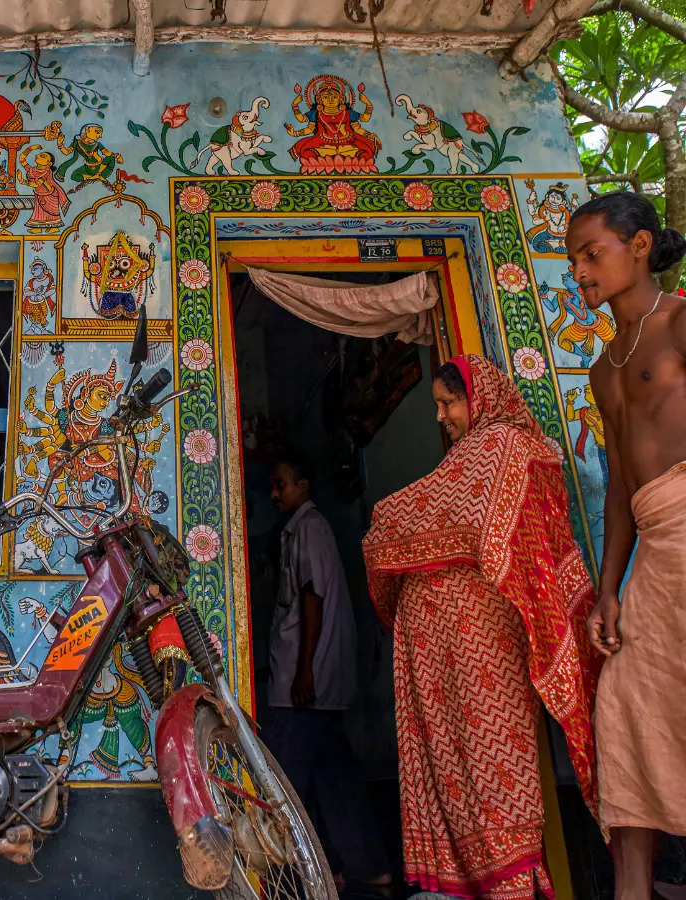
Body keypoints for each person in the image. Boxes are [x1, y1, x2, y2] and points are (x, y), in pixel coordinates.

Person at [363, 355, 600, 899]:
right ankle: (484, 878)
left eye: (449, 403)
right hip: (457, 639)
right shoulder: (479, 455)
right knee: (461, 761)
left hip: (485, 640)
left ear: (481, 397)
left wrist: (383, 528)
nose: (442, 416)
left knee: (495, 759)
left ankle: (512, 880)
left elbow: (459, 523)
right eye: (439, 405)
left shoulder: (505, 448)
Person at [566, 191, 686, 900]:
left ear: (639, 246)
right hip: (654, 545)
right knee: (624, 705)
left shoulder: (678, 323)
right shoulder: (604, 367)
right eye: (573, 259)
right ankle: (632, 888)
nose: (579, 271)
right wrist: (610, 588)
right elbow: (615, 489)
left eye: (592, 253)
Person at [262, 455, 390, 888]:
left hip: (301, 687)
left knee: (283, 777)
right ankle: (363, 866)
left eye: (281, 483)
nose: (275, 494)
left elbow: (312, 598)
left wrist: (304, 673)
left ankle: (282, 876)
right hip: (312, 686)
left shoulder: (309, 528)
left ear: (303, 484)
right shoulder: (298, 530)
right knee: (335, 778)